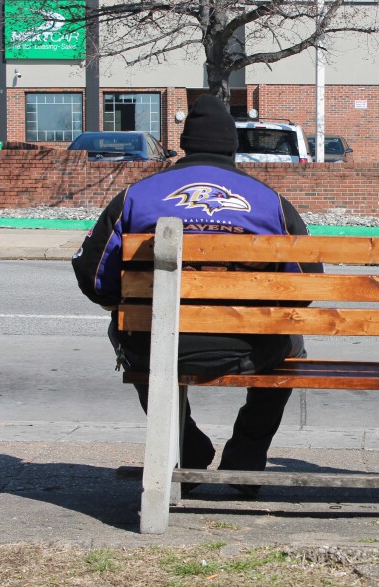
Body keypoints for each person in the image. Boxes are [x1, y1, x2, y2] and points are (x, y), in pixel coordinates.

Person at [72, 94, 323, 497]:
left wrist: (128, 301)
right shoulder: (269, 202)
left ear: (185, 143)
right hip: (248, 348)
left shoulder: (138, 195)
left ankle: (188, 450)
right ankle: (244, 459)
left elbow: (93, 278)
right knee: (293, 346)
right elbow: (306, 286)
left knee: (124, 328)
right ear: (232, 145)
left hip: (157, 346)